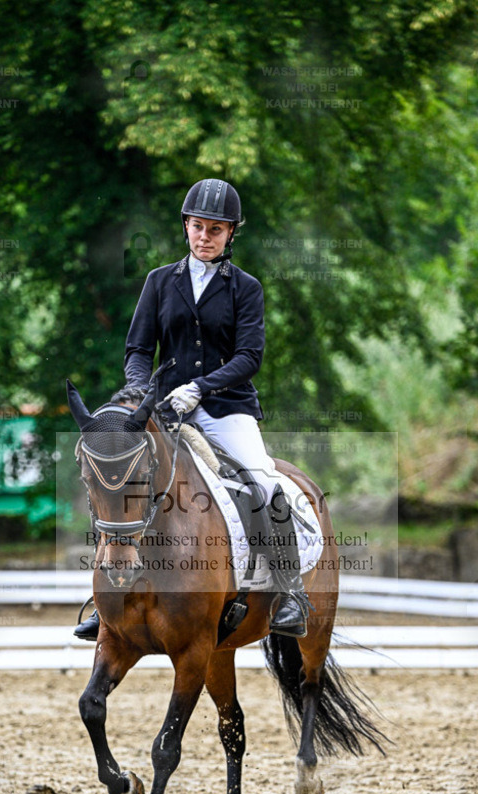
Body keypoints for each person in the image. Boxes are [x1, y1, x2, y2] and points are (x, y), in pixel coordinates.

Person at [75, 178, 310, 640]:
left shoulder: (246, 288)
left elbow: (250, 357)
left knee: (263, 481)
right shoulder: (160, 281)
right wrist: (142, 393)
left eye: (216, 230)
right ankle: (105, 601)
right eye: (198, 227)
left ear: (230, 235)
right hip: (163, 409)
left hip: (227, 409)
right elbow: (139, 349)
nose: (205, 237)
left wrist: (199, 387)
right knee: (120, 477)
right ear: (186, 226)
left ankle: (289, 591)